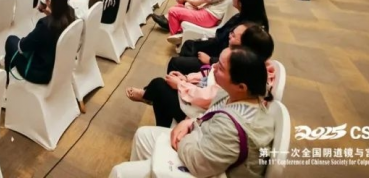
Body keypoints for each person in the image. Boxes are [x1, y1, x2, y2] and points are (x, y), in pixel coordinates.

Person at [109, 46, 274, 178]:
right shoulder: (239, 95)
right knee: (142, 134)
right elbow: (209, 115)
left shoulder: (233, 128)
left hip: (205, 164)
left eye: (221, 68)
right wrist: (190, 122)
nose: (214, 67)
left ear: (241, 86)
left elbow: (197, 163)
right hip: (202, 140)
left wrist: (184, 137)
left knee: (119, 172)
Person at [125, 25, 274, 127]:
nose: (230, 36)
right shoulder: (245, 68)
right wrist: (186, 79)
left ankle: (152, 103)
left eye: (236, 36)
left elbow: (209, 98)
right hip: (202, 101)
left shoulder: (240, 76)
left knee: (160, 85)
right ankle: (152, 98)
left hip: (200, 114)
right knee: (170, 76)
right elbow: (211, 73)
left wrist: (181, 85)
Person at [169, 0, 270, 74]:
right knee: (188, 44)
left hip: (222, 62)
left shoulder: (250, 31)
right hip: (218, 47)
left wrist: (211, 60)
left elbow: (240, 61)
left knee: (175, 63)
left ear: (241, 3)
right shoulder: (241, 16)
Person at [3, 0, 76, 84]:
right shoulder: (71, 13)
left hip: (40, 73)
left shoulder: (45, 24)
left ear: (49, 1)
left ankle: (8, 82)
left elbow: (22, 47)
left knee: (11, 40)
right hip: (60, 66)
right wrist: (50, 15)